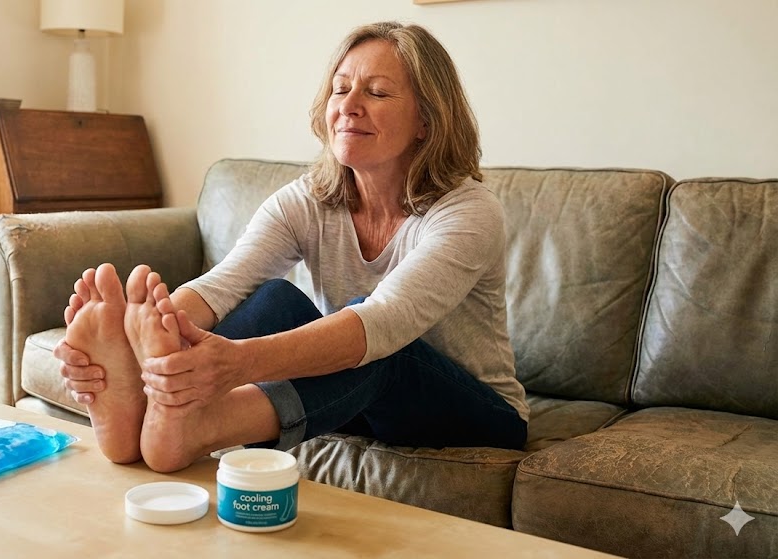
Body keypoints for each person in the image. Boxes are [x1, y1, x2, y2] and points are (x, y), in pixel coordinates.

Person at [54, 21, 529, 473]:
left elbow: (385, 320)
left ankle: (203, 422)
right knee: (273, 300)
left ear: (426, 121)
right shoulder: (309, 198)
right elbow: (225, 285)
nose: (350, 105)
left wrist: (235, 363)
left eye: (378, 92)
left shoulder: (468, 212)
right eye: (341, 89)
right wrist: (145, 341)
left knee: (386, 349)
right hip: (353, 396)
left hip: (476, 415)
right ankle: (144, 403)